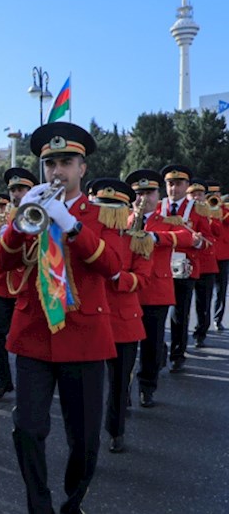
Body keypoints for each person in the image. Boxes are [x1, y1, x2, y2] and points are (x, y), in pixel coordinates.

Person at [0, 122, 121, 514]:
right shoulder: (30, 208)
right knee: (28, 429)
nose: (56, 171)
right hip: (34, 332)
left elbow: (112, 266)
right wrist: (19, 221)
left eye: (66, 162)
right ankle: (40, 506)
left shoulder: (104, 213)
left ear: (82, 168)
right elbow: (3, 261)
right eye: (50, 163)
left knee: (84, 440)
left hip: (84, 334)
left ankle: (72, 500)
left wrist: (70, 224)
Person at [90, 179, 152, 454]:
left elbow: (144, 279)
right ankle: (86, 434)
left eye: (112, 208)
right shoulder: (87, 238)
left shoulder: (136, 240)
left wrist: (118, 276)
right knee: (87, 384)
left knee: (118, 382)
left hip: (124, 319)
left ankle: (115, 430)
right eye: (102, 207)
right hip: (90, 316)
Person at [127, 169, 196, 408]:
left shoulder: (167, 220)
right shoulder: (122, 219)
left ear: (158, 196)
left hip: (155, 290)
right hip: (128, 290)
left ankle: (147, 386)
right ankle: (123, 390)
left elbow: (189, 238)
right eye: (138, 193)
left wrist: (155, 238)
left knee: (152, 344)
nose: (143, 198)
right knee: (125, 345)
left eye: (148, 192)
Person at [0, 168, 38, 401]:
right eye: (13, 190)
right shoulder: (1, 216)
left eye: (21, 189)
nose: (16, 194)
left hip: (27, 283)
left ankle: (30, 385)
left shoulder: (38, 212)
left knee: (26, 338)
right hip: (1, 284)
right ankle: (4, 380)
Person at [157, 164, 210, 372]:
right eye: (170, 184)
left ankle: (178, 354)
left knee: (180, 313)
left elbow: (209, 241)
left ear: (186, 185)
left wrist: (197, 242)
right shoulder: (158, 207)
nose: (174, 188)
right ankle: (158, 350)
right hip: (159, 269)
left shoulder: (197, 209)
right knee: (156, 313)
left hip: (185, 269)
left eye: (179, 184)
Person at [188, 179, 221, 348]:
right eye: (193, 194)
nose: (196, 197)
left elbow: (218, 232)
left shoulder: (210, 211)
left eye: (200, 194)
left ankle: (200, 332)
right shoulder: (183, 212)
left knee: (204, 303)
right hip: (188, 263)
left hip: (206, 265)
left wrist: (212, 217)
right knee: (181, 304)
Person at [208, 180, 229, 331]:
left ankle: (217, 319)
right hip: (207, 255)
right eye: (212, 194)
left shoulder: (225, 210)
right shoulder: (203, 210)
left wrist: (220, 206)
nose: (215, 197)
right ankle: (203, 321)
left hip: (223, 256)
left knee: (221, 290)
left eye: (217, 194)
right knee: (205, 292)